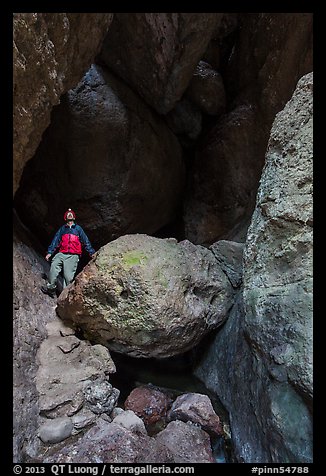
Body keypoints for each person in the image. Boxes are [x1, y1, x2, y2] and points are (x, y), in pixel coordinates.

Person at [41, 208, 95, 297]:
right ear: (65, 218)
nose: (69, 215)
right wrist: (50, 252)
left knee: (68, 277)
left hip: (73, 255)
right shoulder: (62, 229)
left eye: (71, 214)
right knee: (54, 266)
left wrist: (91, 252)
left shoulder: (78, 229)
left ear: (74, 217)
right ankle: (51, 288)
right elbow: (56, 240)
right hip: (62, 253)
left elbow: (86, 241)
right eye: (68, 214)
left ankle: (64, 296)